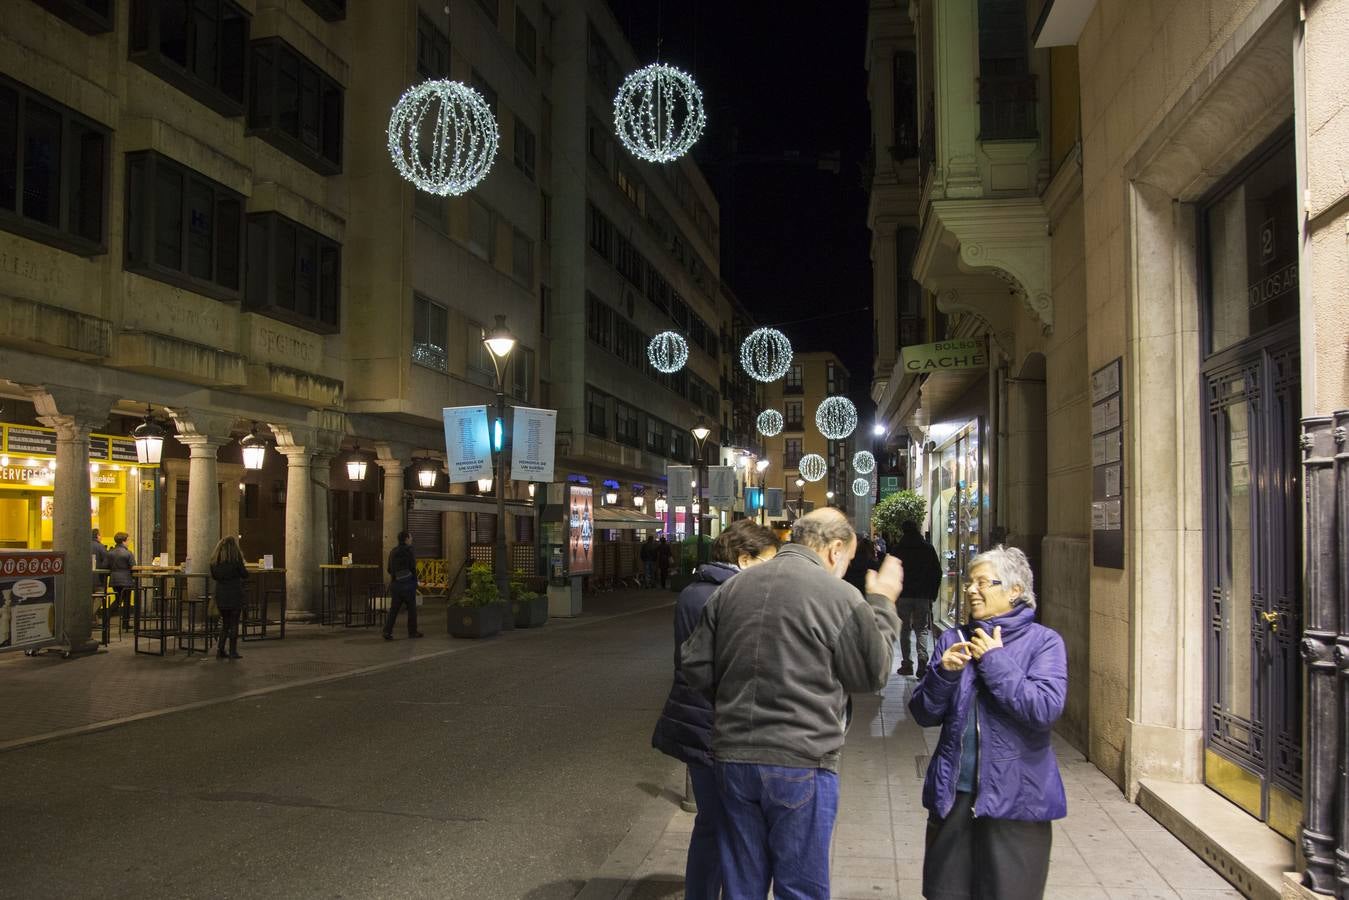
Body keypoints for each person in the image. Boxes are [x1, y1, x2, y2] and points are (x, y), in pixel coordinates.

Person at [681, 508, 903, 899]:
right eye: (849, 558)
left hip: (733, 759)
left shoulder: (732, 589)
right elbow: (872, 674)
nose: (846, 566)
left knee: (741, 887)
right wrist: (883, 602)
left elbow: (696, 667)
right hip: (802, 759)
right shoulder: (840, 596)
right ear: (835, 549)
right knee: (799, 888)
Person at [909, 545, 1067, 900]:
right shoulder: (953, 638)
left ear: (1015, 590)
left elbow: (1043, 709)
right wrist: (943, 675)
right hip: (954, 795)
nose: (970, 590)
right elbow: (923, 713)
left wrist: (995, 661)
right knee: (944, 892)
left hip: (1018, 801)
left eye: (982, 582)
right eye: (968, 582)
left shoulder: (1044, 643)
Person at [652, 520, 781, 900]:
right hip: (717, 725)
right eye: (768, 562)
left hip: (700, 721)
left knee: (713, 823)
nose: (772, 573)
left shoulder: (697, 591)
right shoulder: (728, 595)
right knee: (726, 826)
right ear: (744, 558)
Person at [893, 520, 943, 677]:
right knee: (921, 629)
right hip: (922, 596)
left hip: (903, 595)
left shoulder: (898, 549)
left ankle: (907, 664)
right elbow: (937, 572)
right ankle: (922, 661)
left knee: (904, 630)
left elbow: (891, 572)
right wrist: (932, 593)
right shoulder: (927, 549)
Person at [209, 535, 248, 659]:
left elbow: (215, 577)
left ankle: (220, 650)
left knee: (225, 623)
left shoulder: (215, 562)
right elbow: (245, 574)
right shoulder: (236, 561)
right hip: (235, 594)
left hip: (221, 595)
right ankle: (233, 651)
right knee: (234, 623)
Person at [383, 531, 423, 640]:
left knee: (394, 610)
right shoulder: (409, 550)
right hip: (408, 584)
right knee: (412, 609)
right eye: (410, 537)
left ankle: (387, 631)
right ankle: (412, 632)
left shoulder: (393, 551)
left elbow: (389, 569)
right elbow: (412, 567)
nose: (411, 539)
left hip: (396, 584)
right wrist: (415, 582)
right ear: (406, 539)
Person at [106, 532, 136, 628]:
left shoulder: (110, 553)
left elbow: (106, 566)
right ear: (123, 541)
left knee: (118, 600)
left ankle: (107, 617)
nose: (129, 542)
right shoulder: (128, 553)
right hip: (126, 579)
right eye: (128, 540)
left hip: (114, 579)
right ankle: (125, 623)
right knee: (126, 601)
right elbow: (133, 567)